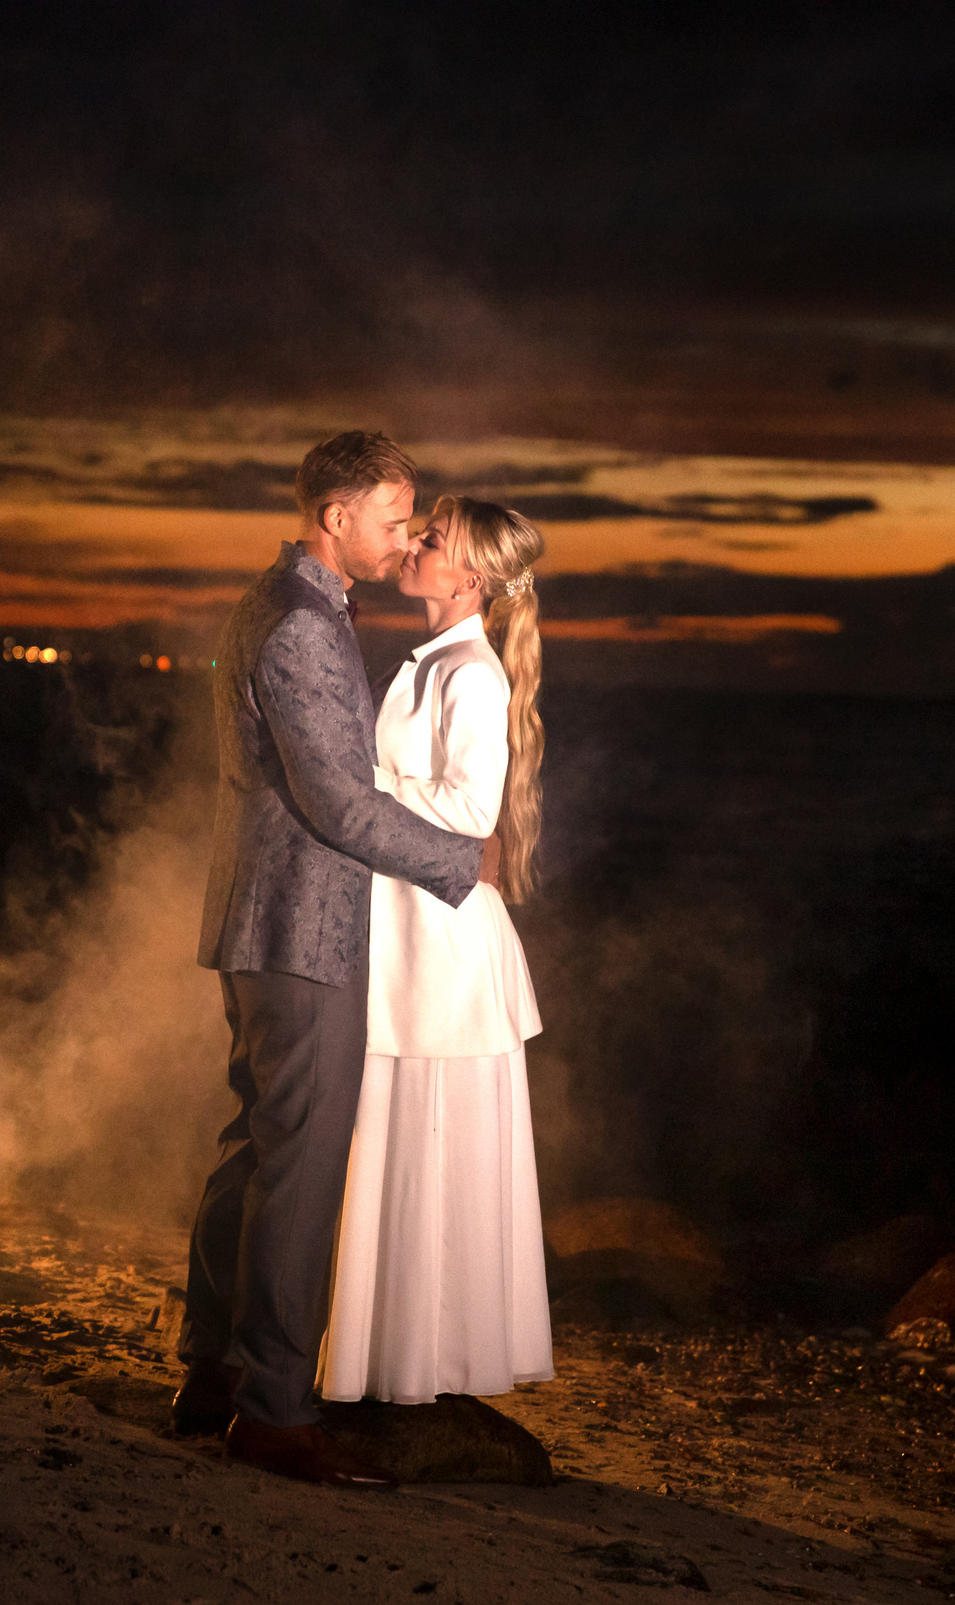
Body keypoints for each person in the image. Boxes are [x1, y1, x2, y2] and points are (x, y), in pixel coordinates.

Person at [178, 431, 498, 1488]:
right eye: (395, 516)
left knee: (256, 1145)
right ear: (337, 517)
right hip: (302, 928)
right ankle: (273, 1410)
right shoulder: (302, 627)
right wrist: (464, 860)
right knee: (302, 1168)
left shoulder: (284, 605)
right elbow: (337, 804)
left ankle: (214, 1371)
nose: (406, 534)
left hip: (263, 921)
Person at [321, 497, 554, 1405]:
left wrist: (354, 775)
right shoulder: (432, 662)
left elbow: (465, 815)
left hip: (443, 956)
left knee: (431, 1153)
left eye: (434, 539)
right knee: (401, 1150)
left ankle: (428, 1368)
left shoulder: (474, 675)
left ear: (472, 578)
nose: (415, 544)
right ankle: (391, 1363)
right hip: (413, 941)